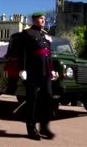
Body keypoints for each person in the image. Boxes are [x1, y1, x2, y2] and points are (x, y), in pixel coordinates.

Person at [18, 12, 56, 141]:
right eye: (41, 18)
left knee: (48, 98)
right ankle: (31, 128)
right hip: (33, 71)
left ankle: (44, 127)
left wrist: (52, 70)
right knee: (32, 100)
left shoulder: (45, 35)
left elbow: (48, 54)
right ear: (34, 20)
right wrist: (22, 69)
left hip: (46, 71)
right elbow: (23, 52)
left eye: (44, 18)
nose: (43, 20)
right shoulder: (27, 33)